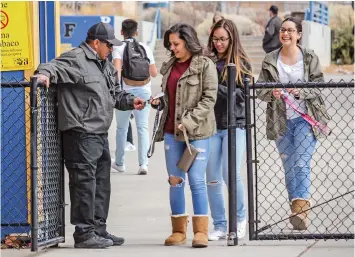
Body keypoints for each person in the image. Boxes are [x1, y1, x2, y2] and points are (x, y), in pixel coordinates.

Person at [34, 22, 145, 248]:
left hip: (99, 133)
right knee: (84, 183)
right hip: (80, 133)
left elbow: (115, 94)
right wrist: (43, 76)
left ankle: (98, 229)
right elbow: (50, 67)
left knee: (101, 183)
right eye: (109, 45)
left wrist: (131, 101)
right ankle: (84, 234)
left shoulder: (104, 65)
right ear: (96, 43)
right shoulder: (76, 59)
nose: (112, 49)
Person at [257, 17, 329, 230]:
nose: (285, 33)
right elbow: (260, 89)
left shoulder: (309, 57)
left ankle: (301, 212)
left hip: (305, 119)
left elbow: (319, 85)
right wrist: (272, 92)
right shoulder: (270, 59)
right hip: (280, 122)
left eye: (290, 30)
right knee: (289, 168)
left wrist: (301, 92)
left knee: (301, 163)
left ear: (298, 34)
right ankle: (295, 210)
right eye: (282, 30)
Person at [150, 23, 218, 248]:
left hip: (197, 132)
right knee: (175, 180)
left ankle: (201, 232)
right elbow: (170, 95)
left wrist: (188, 122)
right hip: (171, 132)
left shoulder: (204, 65)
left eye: (176, 44)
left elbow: (209, 98)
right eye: (170, 44)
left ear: (188, 42)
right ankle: (178, 231)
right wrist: (160, 101)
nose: (173, 48)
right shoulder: (170, 65)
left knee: (197, 180)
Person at [206, 18, 252, 241]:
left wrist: (218, 88)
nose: (219, 44)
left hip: (236, 125)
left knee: (229, 173)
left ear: (232, 38)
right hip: (212, 126)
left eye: (223, 39)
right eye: (215, 39)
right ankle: (220, 224)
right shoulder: (208, 61)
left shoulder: (241, 63)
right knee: (212, 176)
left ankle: (240, 218)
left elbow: (243, 96)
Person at [111, 18, 158, 175]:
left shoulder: (118, 48)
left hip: (125, 93)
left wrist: (115, 90)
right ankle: (143, 164)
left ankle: (120, 163)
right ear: (137, 32)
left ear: (121, 32)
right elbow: (154, 73)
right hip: (144, 91)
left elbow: (116, 72)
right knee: (142, 127)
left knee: (121, 128)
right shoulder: (144, 47)